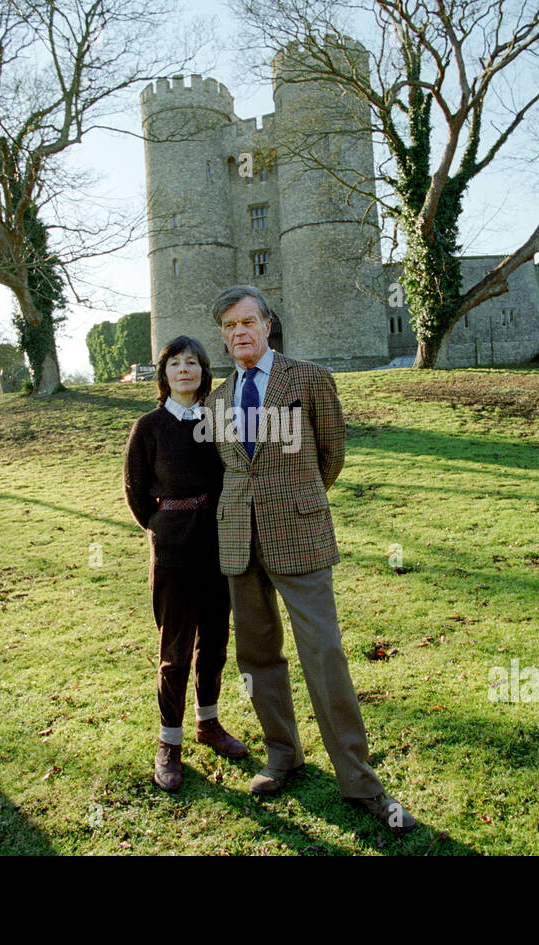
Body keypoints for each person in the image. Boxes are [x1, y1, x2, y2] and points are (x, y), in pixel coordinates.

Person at [204, 285, 417, 835]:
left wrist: (297, 502)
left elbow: (332, 454)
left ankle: (359, 778)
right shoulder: (218, 399)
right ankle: (283, 753)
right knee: (256, 658)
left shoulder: (310, 378)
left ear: (267, 325)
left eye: (247, 321)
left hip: (299, 536)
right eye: (228, 326)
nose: (238, 333)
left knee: (323, 654)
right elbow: (228, 469)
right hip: (238, 542)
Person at [123, 335, 249, 792]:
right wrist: (164, 526)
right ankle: (169, 743)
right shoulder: (149, 426)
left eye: (192, 363)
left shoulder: (219, 422)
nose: (184, 370)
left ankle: (208, 723)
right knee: (174, 649)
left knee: (214, 640)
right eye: (175, 363)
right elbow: (136, 494)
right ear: (163, 374)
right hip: (174, 548)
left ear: (203, 371)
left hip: (218, 544)